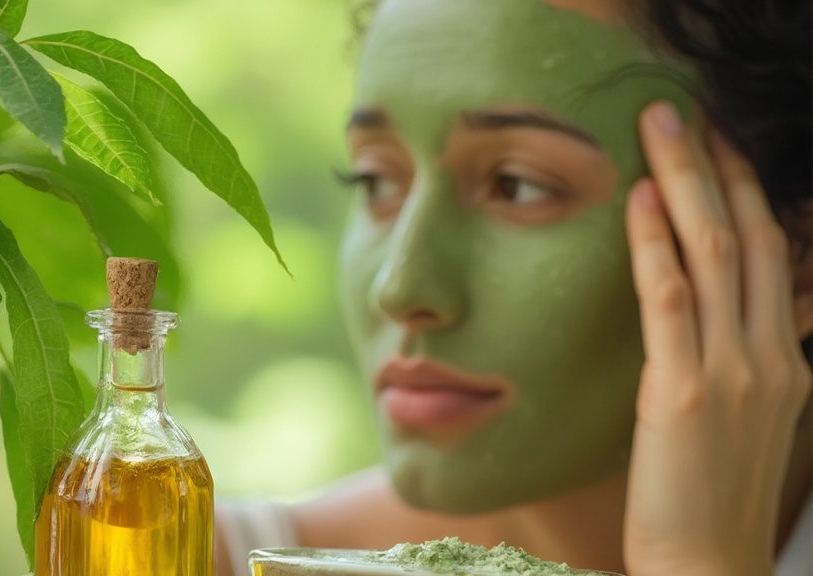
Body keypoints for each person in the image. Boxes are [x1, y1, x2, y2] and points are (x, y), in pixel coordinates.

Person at [215, 0, 813, 575]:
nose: (399, 288)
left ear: (797, 259)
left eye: (518, 186)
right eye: (374, 182)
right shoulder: (168, 553)